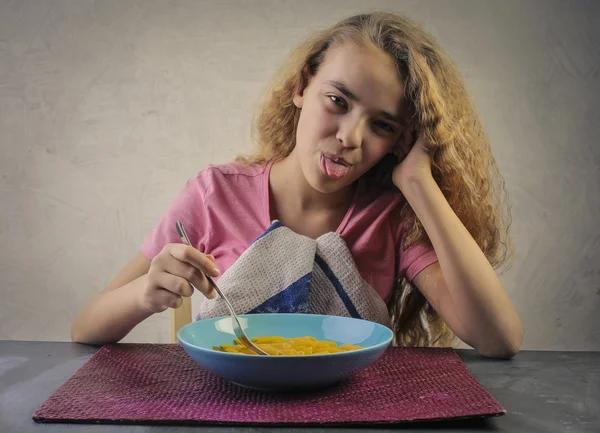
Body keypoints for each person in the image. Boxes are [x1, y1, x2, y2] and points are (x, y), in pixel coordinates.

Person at [71, 12, 523, 358]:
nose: (350, 137)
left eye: (382, 125)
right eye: (338, 101)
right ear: (303, 85)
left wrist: (419, 182)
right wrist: (145, 293)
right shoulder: (214, 194)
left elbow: (498, 339)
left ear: (400, 141)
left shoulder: (392, 215)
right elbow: (85, 328)